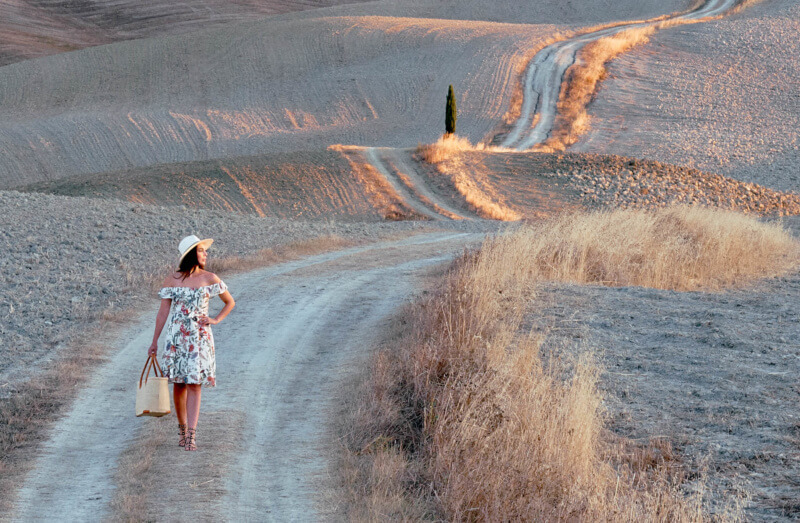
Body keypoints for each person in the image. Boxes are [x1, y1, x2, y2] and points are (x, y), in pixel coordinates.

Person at [148, 235, 235, 451]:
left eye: (205, 250)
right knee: (178, 384)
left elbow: (229, 302)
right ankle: (182, 430)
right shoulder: (173, 279)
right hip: (176, 339)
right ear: (191, 254)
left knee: (194, 384)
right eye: (201, 250)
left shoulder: (210, 278)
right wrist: (154, 341)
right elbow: (163, 312)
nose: (206, 254)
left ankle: (192, 437)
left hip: (198, 339)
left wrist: (215, 319)